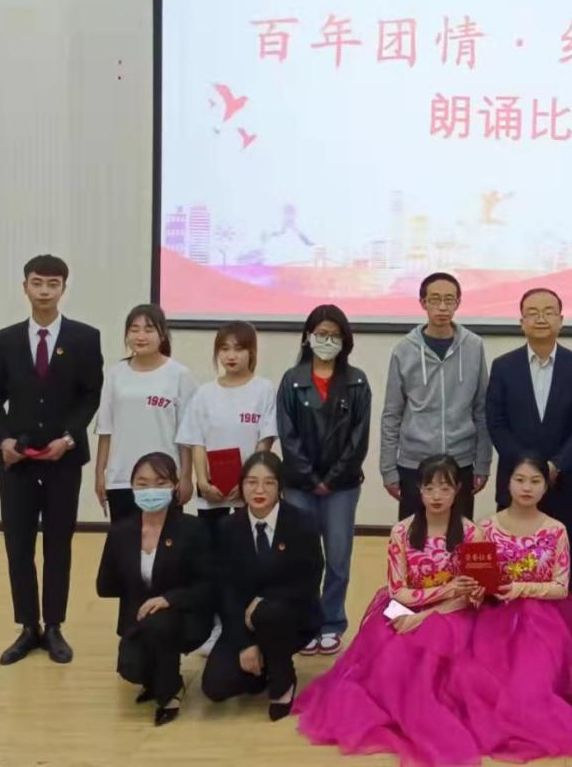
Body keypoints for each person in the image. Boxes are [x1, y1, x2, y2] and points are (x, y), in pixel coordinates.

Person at [296, 454, 493, 766]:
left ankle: (426, 713)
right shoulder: (402, 531)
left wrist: (425, 616)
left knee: (432, 644)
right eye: (429, 488)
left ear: (458, 490)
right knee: (388, 651)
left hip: (453, 612)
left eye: (445, 488)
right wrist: (441, 593)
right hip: (404, 604)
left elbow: (471, 595)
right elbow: (398, 591)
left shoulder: (474, 534)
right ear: (419, 490)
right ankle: (398, 710)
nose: (437, 496)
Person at [471, 455, 572, 760]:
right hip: (495, 615)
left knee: (534, 674)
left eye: (535, 481)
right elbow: (479, 577)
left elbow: (561, 586)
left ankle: (526, 716)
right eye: (520, 480)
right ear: (507, 482)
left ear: (546, 486)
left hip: (543, 616)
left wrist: (521, 589)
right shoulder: (486, 527)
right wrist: (477, 590)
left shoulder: (556, 529)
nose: (527, 488)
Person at [0, 254, 104, 666]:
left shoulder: (85, 338)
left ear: (64, 288)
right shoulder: (6, 339)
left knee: (58, 545)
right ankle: (27, 626)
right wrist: (3, 440)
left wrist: (69, 438)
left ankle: (54, 626)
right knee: (18, 546)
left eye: (53, 284)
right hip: (16, 461)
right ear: (25, 287)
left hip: (62, 461)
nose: (45, 291)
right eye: (37, 283)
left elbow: (91, 395)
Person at [276, 304, 371, 656]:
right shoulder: (292, 379)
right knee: (302, 557)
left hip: (342, 486)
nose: (327, 340)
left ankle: (332, 622)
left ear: (345, 340)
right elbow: (287, 435)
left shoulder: (357, 381)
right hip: (299, 484)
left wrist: (331, 479)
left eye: (334, 335)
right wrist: (309, 476)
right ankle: (304, 622)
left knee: (338, 556)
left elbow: (359, 438)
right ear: (308, 337)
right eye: (321, 334)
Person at [487, 288, 572, 592]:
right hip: (515, 482)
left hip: (566, 483)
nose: (541, 318)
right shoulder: (503, 366)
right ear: (521, 322)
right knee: (511, 565)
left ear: (561, 320)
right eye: (532, 313)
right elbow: (496, 423)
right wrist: (528, 471)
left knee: (565, 568)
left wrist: (555, 466)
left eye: (549, 312)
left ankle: (564, 622)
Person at [201, 451, 323, 720]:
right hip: (244, 622)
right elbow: (225, 590)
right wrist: (245, 644)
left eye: (269, 482)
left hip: (291, 616)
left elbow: (309, 579)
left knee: (268, 613)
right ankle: (261, 667)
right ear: (241, 485)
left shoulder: (301, 522)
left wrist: (263, 601)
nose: (259, 490)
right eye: (251, 482)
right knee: (215, 687)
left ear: (280, 487)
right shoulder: (228, 527)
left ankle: (283, 680)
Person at [95, 451, 214, 725]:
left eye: (160, 483)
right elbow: (105, 585)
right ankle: (159, 678)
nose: (151, 490)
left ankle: (169, 694)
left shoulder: (192, 529)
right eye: (143, 483)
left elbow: (208, 585)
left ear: (174, 486)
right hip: (139, 617)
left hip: (184, 615)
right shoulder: (121, 532)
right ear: (132, 487)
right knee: (131, 668)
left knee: (161, 622)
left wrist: (168, 598)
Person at [380, 272, 490, 521]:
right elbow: (392, 414)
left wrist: (482, 463)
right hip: (414, 463)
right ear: (423, 303)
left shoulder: (473, 346)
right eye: (435, 299)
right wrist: (388, 469)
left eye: (449, 300)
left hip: (460, 462)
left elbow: (481, 409)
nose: (442, 307)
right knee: (414, 535)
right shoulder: (404, 350)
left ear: (458, 303)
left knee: (459, 534)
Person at [94, 304, 198, 522]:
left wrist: (186, 477)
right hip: (121, 478)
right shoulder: (115, 374)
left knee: (165, 540)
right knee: (125, 539)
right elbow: (105, 430)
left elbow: (186, 435)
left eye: (149, 330)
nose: (141, 336)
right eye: (134, 329)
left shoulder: (179, 374)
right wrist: (99, 474)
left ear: (163, 335)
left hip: (164, 479)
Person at [177, 321, 277, 542]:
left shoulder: (264, 390)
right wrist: (202, 482)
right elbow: (197, 442)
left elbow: (265, 443)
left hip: (250, 491)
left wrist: (248, 482)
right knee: (210, 551)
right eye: (224, 349)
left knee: (247, 549)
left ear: (251, 352)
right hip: (212, 492)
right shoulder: (204, 393)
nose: (231, 356)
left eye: (239, 349)